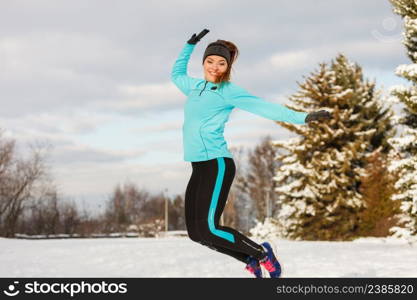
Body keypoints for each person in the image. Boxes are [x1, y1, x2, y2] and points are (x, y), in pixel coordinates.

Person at [170, 29, 331, 278]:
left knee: (210, 228)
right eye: (210, 61)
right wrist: (189, 45)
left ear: (227, 67)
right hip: (198, 166)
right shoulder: (193, 87)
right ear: (203, 62)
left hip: (217, 164)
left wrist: (303, 117)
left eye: (221, 63)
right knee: (196, 233)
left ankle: (263, 253)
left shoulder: (228, 92)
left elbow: (265, 108)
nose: (214, 66)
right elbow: (176, 73)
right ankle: (249, 258)